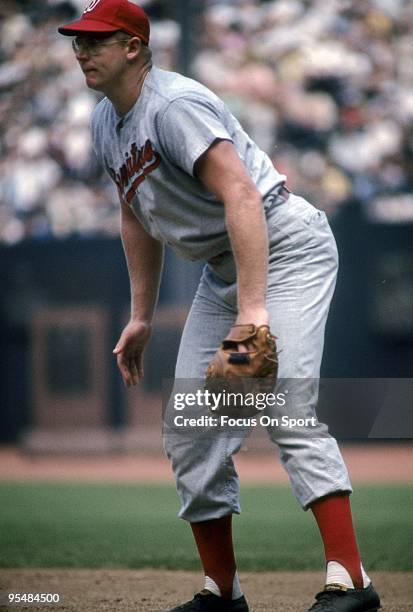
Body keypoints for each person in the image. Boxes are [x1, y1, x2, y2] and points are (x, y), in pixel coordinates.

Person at [58, 2, 381, 611]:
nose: (81, 50)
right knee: (192, 426)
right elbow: (136, 214)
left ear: (133, 48)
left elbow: (241, 193)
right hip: (225, 269)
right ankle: (222, 592)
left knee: (282, 403)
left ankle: (353, 582)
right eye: (77, 40)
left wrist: (253, 310)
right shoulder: (107, 122)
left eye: (95, 40)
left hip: (284, 250)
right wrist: (142, 314)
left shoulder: (172, 105)